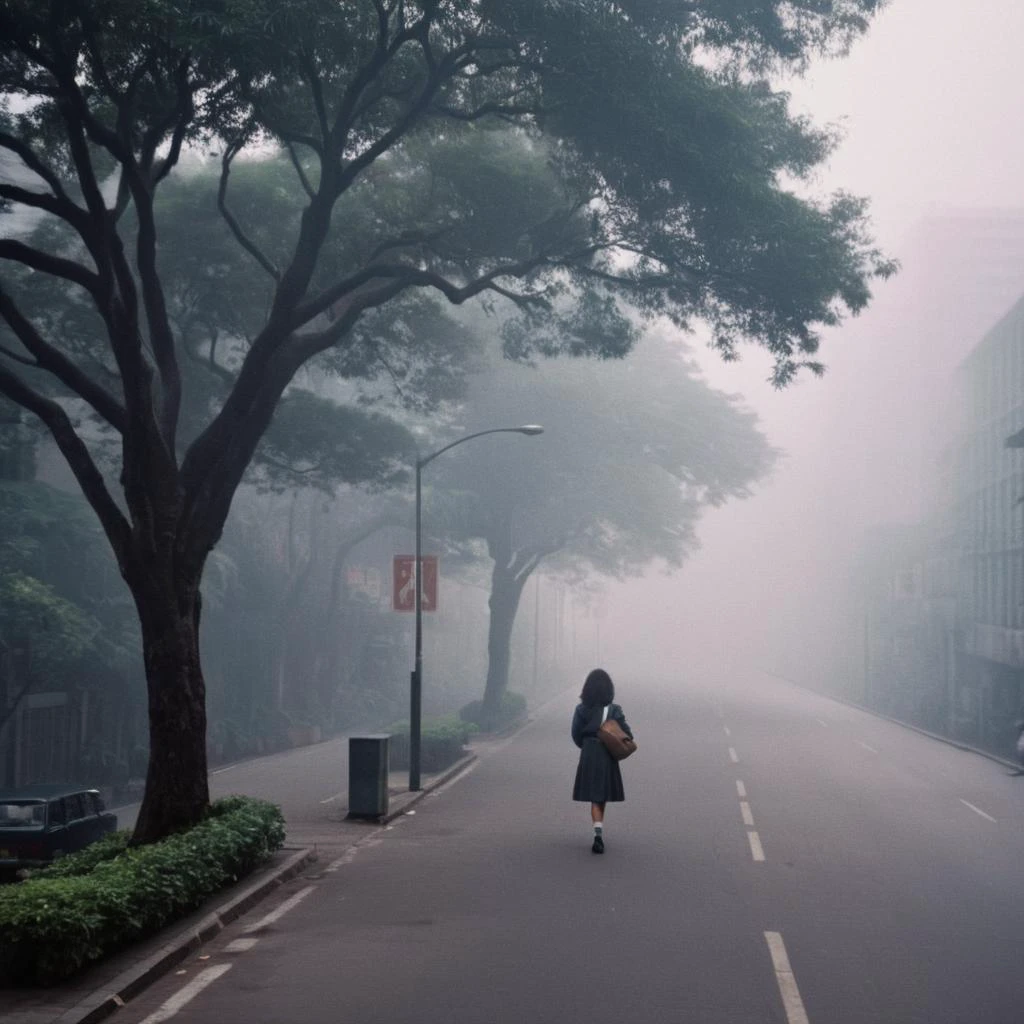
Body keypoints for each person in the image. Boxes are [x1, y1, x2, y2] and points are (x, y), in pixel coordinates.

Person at [571, 668, 633, 854]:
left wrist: (586, 746)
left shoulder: (581, 709)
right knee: (601, 796)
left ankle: (597, 832)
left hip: (589, 752)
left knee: (594, 795)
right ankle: (598, 832)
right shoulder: (614, 710)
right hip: (606, 752)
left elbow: (575, 734)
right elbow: (627, 734)